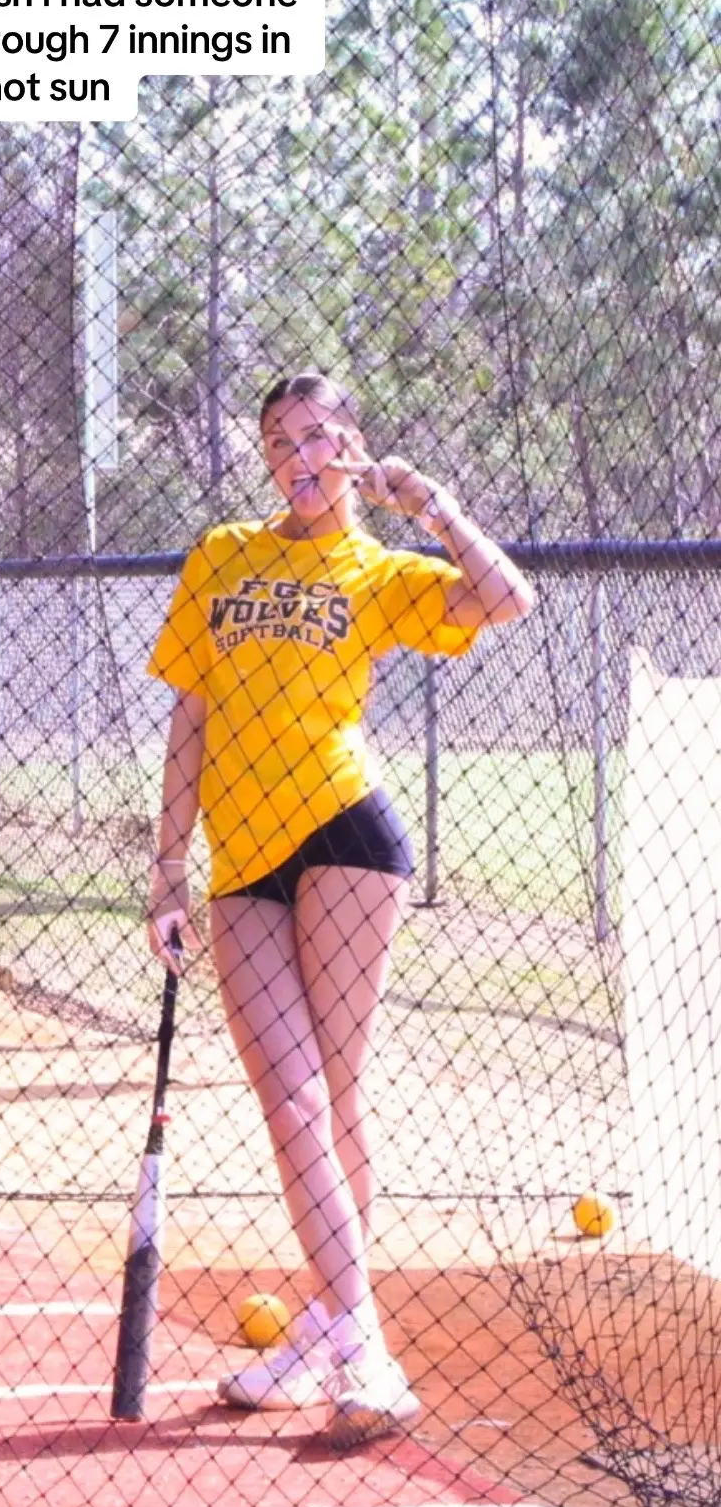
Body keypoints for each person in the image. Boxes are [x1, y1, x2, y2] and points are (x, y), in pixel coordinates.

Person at [145, 371, 534, 1449]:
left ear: (352, 447)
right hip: (238, 859)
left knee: (327, 1094)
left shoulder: (375, 569)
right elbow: (191, 714)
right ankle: (335, 1320)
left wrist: (434, 508)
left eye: (318, 436)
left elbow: (507, 599)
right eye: (279, 441)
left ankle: (355, 1336)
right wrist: (166, 866)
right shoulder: (224, 555)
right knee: (292, 1098)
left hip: (346, 834)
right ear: (266, 461)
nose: (298, 455)